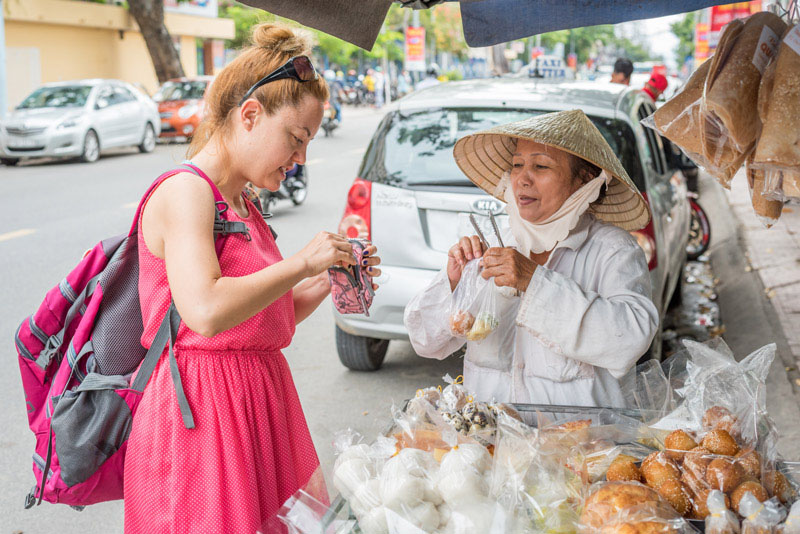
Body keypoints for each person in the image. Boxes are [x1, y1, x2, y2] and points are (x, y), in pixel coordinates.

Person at [124, 23, 382, 532]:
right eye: (296, 137)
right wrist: (303, 263)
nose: (302, 156)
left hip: (257, 403)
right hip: (202, 415)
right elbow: (206, 309)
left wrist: (331, 276)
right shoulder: (185, 192)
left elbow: (265, 314)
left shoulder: (243, 201)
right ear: (250, 115)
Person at [404, 110, 658, 407]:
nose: (522, 179)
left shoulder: (613, 250)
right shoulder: (492, 241)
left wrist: (534, 281)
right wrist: (453, 282)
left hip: (579, 446)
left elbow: (629, 340)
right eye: (517, 165)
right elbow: (424, 340)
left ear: (584, 180)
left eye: (540, 166)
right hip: (492, 441)